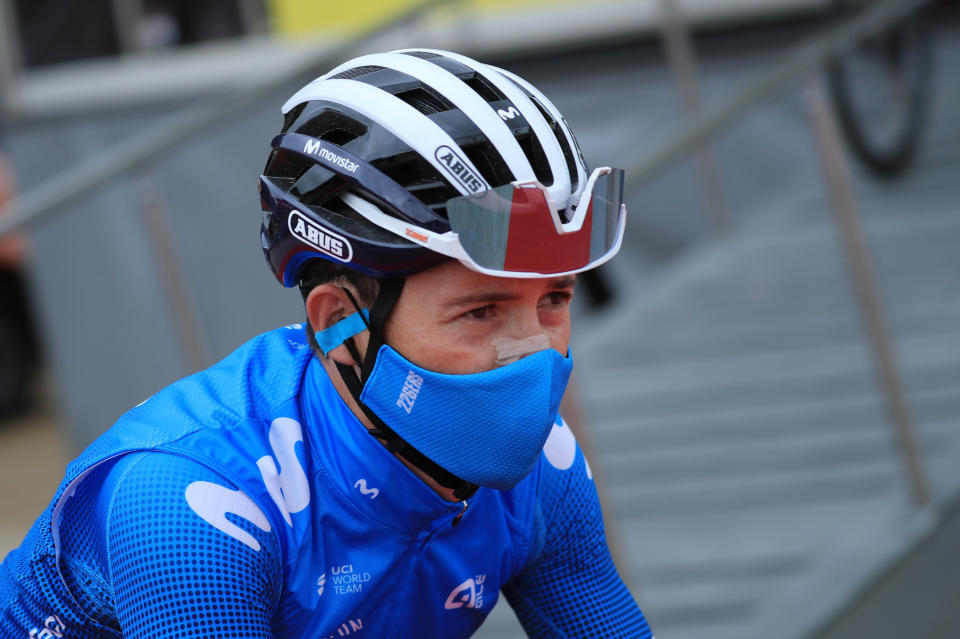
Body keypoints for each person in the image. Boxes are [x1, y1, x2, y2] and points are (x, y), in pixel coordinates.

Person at [0, 49, 652, 638]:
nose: (532, 352)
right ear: (341, 322)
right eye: (481, 311)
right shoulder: (193, 499)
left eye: (554, 300)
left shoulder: (545, 465)